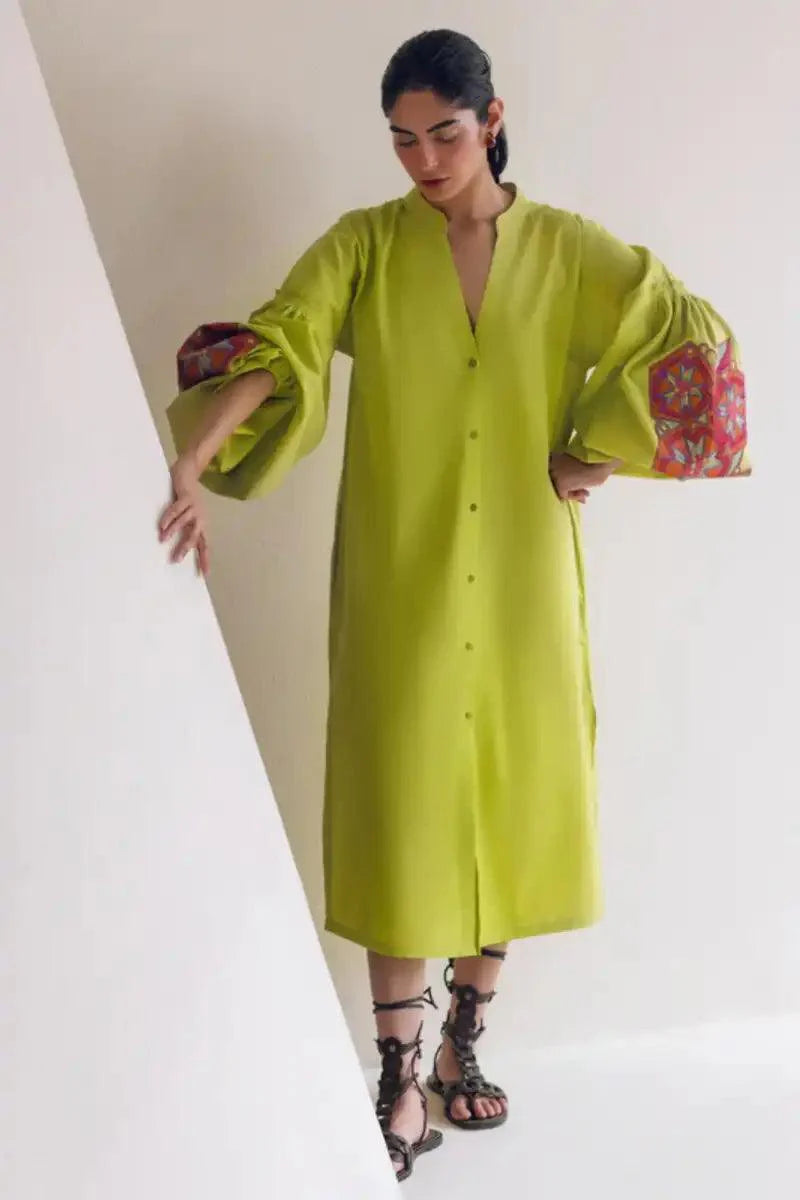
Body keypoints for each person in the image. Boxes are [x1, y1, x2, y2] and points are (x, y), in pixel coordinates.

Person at [158, 28, 749, 1183]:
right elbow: (283, 344)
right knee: (403, 808)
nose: (422, 160)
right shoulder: (365, 247)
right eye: (400, 139)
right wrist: (194, 458)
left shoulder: (569, 252)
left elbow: (688, 335)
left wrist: (595, 450)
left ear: (490, 120)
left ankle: (462, 1043)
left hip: (525, 574)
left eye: (442, 133)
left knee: (509, 793)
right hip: (404, 575)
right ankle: (397, 1074)